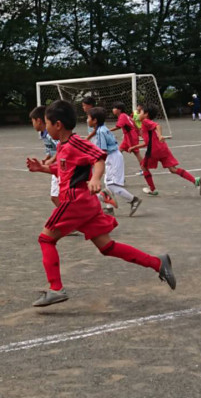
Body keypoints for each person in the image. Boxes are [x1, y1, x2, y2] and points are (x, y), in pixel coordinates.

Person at [25, 100, 175, 307]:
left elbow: (98, 158)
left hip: (74, 201)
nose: (46, 128)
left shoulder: (76, 142)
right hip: (85, 204)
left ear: (57, 125)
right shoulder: (63, 146)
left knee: (46, 239)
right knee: (107, 247)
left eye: (47, 123)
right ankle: (157, 263)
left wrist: (96, 178)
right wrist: (42, 169)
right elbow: (64, 170)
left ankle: (56, 289)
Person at [133, 104, 201, 197]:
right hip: (163, 148)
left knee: (144, 167)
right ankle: (195, 180)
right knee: (172, 169)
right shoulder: (145, 124)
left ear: (146, 114)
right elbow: (147, 142)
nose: (138, 113)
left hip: (154, 151)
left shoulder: (146, 121)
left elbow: (157, 126)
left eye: (141, 112)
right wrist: (134, 147)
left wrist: (159, 135)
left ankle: (152, 189)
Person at [89, 107, 142, 216]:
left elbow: (102, 151)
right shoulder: (102, 129)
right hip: (112, 157)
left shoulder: (100, 132)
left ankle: (133, 200)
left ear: (95, 120)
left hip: (113, 158)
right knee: (108, 183)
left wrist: (93, 161)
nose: (87, 120)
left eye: (88, 118)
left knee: (112, 185)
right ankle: (109, 208)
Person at [29, 106, 60, 207]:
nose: (32, 124)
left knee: (56, 197)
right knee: (55, 197)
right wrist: (47, 158)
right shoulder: (43, 134)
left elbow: (61, 147)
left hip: (59, 164)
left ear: (38, 121)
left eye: (32, 121)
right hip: (55, 164)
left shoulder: (50, 134)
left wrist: (51, 160)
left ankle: (70, 217)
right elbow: (51, 149)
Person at [111, 101, 145, 172]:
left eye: (114, 108)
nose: (113, 109)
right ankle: (116, 170)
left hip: (131, 136)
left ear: (119, 109)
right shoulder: (124, 115)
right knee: (119, 151)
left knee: (136, 153)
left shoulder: (122, 116)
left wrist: (107, 131)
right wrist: (139, 131)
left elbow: (118, 126)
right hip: (128, 136)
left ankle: (145, 169)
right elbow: (134, 123)